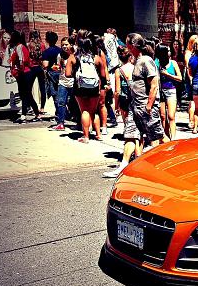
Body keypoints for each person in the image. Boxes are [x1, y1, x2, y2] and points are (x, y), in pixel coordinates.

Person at [125, 33, 168, 148]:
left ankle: (173, 155)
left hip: (146, 107)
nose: (125, 46)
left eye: (127, 43)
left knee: (159, 137)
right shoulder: (137, 61)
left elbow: (154, 85)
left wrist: (149, 105)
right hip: (137, 106)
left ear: (132, 45)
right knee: (133, 135)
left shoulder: (145, 60)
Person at [103, 48, 141, 178]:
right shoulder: (137, 67)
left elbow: (117, 91)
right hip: (139, 102)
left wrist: (117, 106)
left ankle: (132, 160)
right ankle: (137, 157)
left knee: (129, 130)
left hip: (126, 102)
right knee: (136, 132)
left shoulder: (119, 70)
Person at [67, 30, 106, 142]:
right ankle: (98, 134)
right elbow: (103, 75)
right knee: (94, 111)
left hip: (80, 87)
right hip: (94, 87)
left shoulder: (73, 57)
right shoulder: (96, 58)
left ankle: (86, 136)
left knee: (84, 111)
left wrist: (77, 73)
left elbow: (68, 74)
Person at [9, 30, 41, 123]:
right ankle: (30, 114)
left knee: (26, 94)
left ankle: (28, 114)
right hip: (23, 73)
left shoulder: (19, 47)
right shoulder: (20, 46)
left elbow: (22, 61)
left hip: (24, 73)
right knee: (25, 94)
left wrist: (19, 71)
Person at [155, 44, 182, 140]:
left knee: (171, 115)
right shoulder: (156, 63)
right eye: (168, 51)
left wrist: (167, 74)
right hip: (160, 91)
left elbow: (180, 78)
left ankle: (173, 138)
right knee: (162, 116)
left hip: (171, 90)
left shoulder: (173, 63)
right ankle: (165, 137)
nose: (170, 53)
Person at [48, 36, 73, 131]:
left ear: (71, 44)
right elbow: (59, 67)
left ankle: (79, 122)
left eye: (66, 44)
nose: (64, 46)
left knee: (73, 104)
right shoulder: (60, 55)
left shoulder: (74, 55)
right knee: (60, 102)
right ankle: (61, 123)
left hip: (73, 82)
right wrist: (56, 68)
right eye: (63, 45)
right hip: (62, 81)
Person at [41, 31, 61, 116]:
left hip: (52, 74)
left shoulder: (46, 52)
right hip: (60, 73)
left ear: (47, 40)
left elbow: (45, 65)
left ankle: (58, 111)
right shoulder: (60, 50)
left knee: (54, 94)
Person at [27, 30, 46, 114]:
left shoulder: (28, 45)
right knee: (42, 88)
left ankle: (31, 106)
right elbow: (44, 56)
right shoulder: (42, 45)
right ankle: (42, 107)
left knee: (28, 89)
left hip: (31, 68)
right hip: (40, 67)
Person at [184, 35, 198, 129]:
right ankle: (191, 121)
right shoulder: (188, 53)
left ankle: (195, 120)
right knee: (192, 101)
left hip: (197, 77)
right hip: (191, 78)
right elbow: (188, 67)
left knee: (196, 101)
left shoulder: (196, 53)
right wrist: (191, 79)